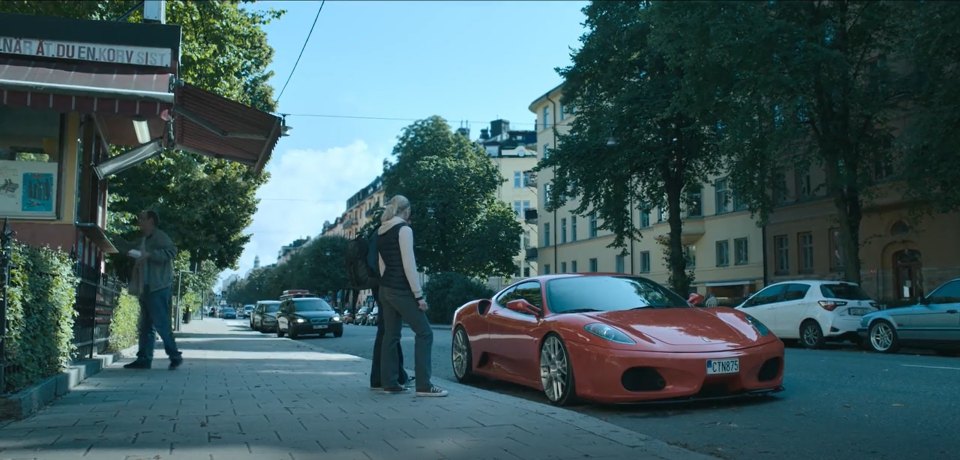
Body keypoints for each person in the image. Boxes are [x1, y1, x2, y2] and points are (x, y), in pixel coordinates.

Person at [376, 195, 447, 397]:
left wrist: (387, 284)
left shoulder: (382, 230)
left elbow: (382, 265)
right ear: (406, 211)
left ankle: (389, 383)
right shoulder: (404, 230)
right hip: (401, 289)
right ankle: (424, 385)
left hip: (385, 288)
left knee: (390, 336)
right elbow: (409, 265)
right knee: (425, 333)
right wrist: (418, 295)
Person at [119, 210, 183, 370]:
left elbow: (171, 252)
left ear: (151, 221)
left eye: (142, 219)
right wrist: (111, 239)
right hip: (146, 287)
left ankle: (174, 355)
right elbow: (127, 247)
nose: (139, 221)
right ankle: (144, 359)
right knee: (146, 325)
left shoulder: (160, 236)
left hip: (159, 287)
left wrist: (150, 255)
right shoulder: (144, 239)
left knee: (161, 324)